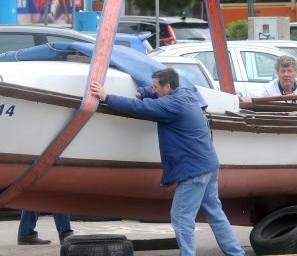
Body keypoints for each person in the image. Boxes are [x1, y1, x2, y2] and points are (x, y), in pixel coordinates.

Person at [89, 69, 244, 256]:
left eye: (155, 87)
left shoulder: (170, 104)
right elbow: (151, 95)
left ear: (168, 87)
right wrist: (146, 91)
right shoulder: (185, 93)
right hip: (209, 166)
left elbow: (139, 108)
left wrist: (107, 97)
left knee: (181, 217)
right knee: (215, 213)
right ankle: (236, 253)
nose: (153, 90)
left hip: (193, 171)